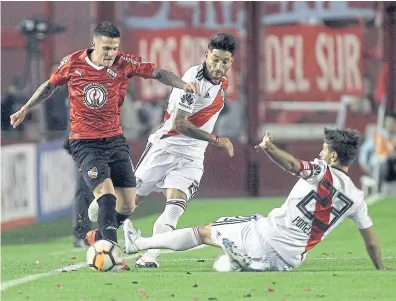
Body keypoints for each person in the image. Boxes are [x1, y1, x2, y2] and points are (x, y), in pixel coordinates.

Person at [10, 21, 198, 254]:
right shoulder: (72, 63)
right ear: (94, 44)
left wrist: (182, 84)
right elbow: (49, 86)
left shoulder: (124, 63)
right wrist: (26, 108)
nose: (111, 54)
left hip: (115, 139)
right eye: (106, 48)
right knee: (105, 193)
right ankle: (110, 246)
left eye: (115, 48)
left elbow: (158, 72)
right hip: (84, 141)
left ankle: (97, 234)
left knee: (128, 204)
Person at [123, 128, 387, 272]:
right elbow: (372, 240)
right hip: (291, 259)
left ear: (332, 157)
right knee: (237, 251)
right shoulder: (356, 197)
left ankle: (139, 243)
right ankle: (242, 262)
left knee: (203, 232)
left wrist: (271, 149)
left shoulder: (321, 170)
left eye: (324, 150)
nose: (320, 152)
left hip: (266, 235)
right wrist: (381, 268)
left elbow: (294, 165)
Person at [112, 33, 236, 268]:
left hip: (192, 157)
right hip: (165, 148)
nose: (219, 66)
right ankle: (102, 238)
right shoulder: (192, 81)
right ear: (207, 55)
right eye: (215, 60)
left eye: (225, 62)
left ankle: (148, 256)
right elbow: (180, 123)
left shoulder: (222, 84)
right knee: (127, 204)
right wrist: (215, 139)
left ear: (232, 62)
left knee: (173, 211)